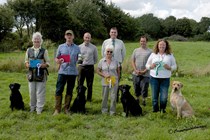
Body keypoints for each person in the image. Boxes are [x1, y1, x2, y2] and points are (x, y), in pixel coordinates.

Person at [53, 30, 80, 115]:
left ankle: (66, 108)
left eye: (70, 35)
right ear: (65, 36)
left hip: (72, 72)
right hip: (62, 72)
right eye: (67, 35)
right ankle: (57, 109)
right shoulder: (61, 47)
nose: (69, 37)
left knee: (69, 91)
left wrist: (80, 60)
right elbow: (56, 58)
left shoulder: (77, 48)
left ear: (73, 37)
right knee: (59, 90)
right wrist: (58, 61)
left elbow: (80, 59)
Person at [146, 39, 177, 113]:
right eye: (160, 44)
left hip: (165, 79)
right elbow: (147, 65)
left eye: (163, 45)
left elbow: (175, 66)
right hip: (154, 78)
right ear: (157, 45)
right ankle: (155, 110)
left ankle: (163, 110)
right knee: (154, 96)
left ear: (166, 46)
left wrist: (169, 68)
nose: (162, 46)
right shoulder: (153, 54)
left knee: (164, 97)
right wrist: (151, 66)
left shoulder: (170, 55)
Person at [25, 32, 50, 114]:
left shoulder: (44, 51)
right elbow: (26, 62)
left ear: (40, 41)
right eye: (35, 39)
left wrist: (42, 65)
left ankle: (39, 109)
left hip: (41, 74)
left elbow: (48, 63)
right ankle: (32, 108)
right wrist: (28, 64)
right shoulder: (28, 50)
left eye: (38, 39)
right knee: (31, 92)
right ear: (32, 40)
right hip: (31, 74)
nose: (36, 41)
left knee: (40, 92)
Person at [101, 27, 126, 101]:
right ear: (109, 33)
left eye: (115, 32)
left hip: (117, 66)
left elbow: (123, 53)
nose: (113, 34)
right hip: (107, 65)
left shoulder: (120, 42)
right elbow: (103, 53)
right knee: (107, 81)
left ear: (117, 33)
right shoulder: (105, 42)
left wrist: (119, 62)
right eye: (112, 32)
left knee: (116, 81)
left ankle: (115, 97)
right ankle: (106, 97)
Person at [97, 45, 120, 116]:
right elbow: (98, 71)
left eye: (111, 52)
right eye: (108, 51)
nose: (109, 53)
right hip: (105, 80)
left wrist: (117, 80)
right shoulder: (101, 61)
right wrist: (104, 75)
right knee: (104, 96)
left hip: (113, 81)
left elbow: (118, 71)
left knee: (113, 97)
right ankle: (104, 111)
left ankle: (112, 112)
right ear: (105, 52)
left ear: (112, 53)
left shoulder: (116, 61)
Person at [131, 36, 152, 106]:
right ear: (139, 42)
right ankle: (137, 98)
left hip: (145, 73)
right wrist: (135, 70)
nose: (142, 42)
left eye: (144, 41)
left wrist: (144, 71)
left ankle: (144, 100)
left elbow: (151, 63)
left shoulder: (150, 51)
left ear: (146, 42)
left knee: (144, 87)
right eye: (141, 41)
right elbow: (132, 61)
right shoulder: (135, 50)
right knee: (136, 86)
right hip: (136, 73)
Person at [77, 32, 98, 102]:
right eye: (86, 37)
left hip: (90, 67)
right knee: (80, 83)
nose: (87, 39)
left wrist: (90, 63)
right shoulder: (79, 47)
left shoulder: (94, 47)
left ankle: (89, 99)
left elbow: (96, 59)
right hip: (81, 67)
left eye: (89, 38)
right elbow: (77, 58)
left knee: (90, 84)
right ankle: (79, 96)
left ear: (90, 38)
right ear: (83, 38)